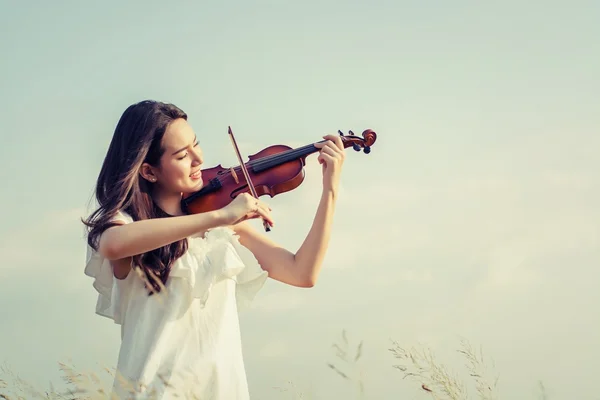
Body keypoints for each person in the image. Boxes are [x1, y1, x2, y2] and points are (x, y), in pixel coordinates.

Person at [82, 100, 345, 399]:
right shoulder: (128, 224)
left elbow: (302, 272)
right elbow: (114, 245)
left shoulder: (222, 228)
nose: (198, 160)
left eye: (196, 145)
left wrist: (330, 188)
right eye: (182, 155)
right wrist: (221, 216)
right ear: (149, 171)